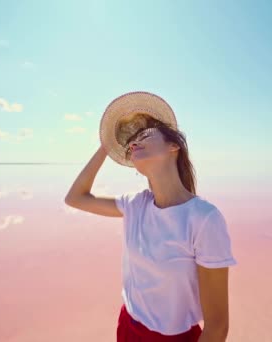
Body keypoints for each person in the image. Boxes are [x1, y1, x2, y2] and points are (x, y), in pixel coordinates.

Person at [65, 91, 237, 341]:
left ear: (173, 146)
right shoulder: (136, 205)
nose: (133, 143)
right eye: (130, 142)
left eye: (144, 135)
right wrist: (107, 144)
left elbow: (217, 326)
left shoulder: (203, 219)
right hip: (128, 326)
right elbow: (75, 198)